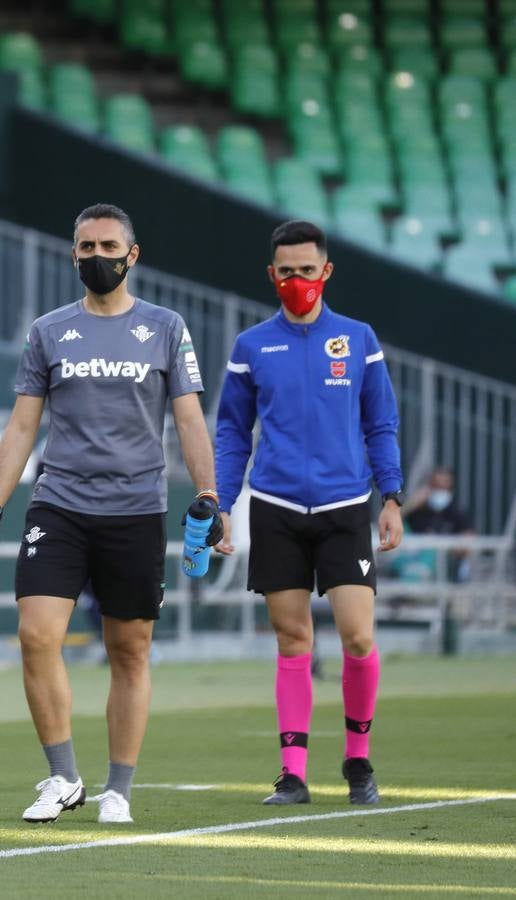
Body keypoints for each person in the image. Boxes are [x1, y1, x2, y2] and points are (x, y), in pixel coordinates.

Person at [0, 204, 217, 826]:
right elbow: (24, 421)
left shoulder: (165, 326)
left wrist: (210, 496)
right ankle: (62, 777)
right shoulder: (49, 330)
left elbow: (188, 417)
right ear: (72, 254)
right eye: (85, 247)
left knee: (129, 650)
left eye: (108, 245)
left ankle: (118, 789)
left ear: (132, 255)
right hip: (59, 504)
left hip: (136, 508)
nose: (96, 256)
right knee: (36, 636)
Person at [214, 219, 403, 807]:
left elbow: (381, 423)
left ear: (327, 272)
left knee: (358, 637)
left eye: (307, 270)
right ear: (273, 276)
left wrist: (391, 496)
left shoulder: (359, 338)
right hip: (275, 507)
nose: (298, 280)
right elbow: (231, 432)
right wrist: (221, 504)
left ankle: (358, 761)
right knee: (292, 639)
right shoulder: (251, 347)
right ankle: (293, 774)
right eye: (287, 272)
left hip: (347, 506)